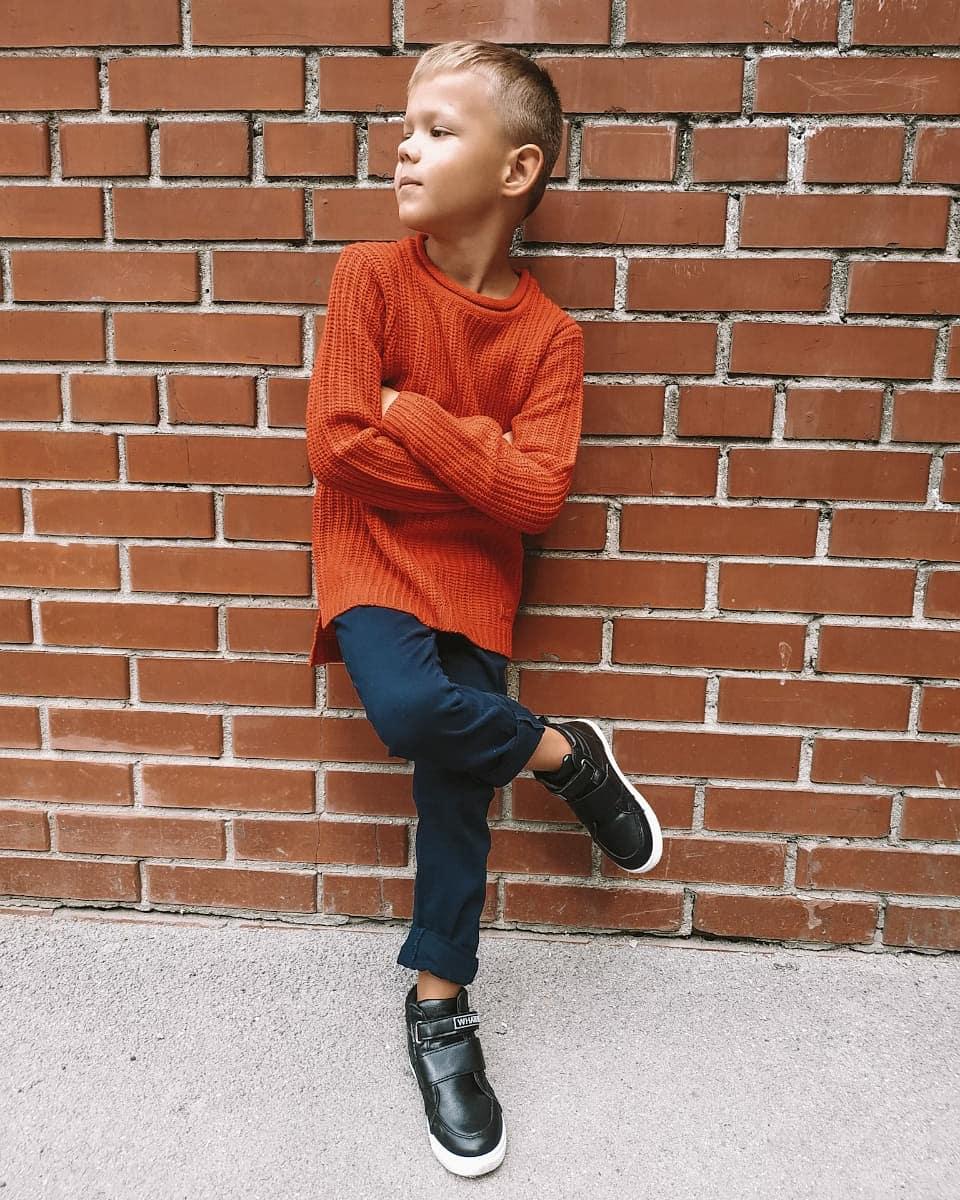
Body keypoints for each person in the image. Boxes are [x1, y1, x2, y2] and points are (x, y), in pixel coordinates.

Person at [304, 38, 663, 1178]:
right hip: (369, 557)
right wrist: (478, 460)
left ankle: (439, 1008)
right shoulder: (367, 277)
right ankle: (563, 755)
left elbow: (539, 496)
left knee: (455, 787)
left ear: (517, 170)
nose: (405, 148)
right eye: (405, 127)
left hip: (476, 580)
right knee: (414, 711)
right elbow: (336, 448)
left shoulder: (552, 340)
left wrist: (411, 413)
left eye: (438, 129)